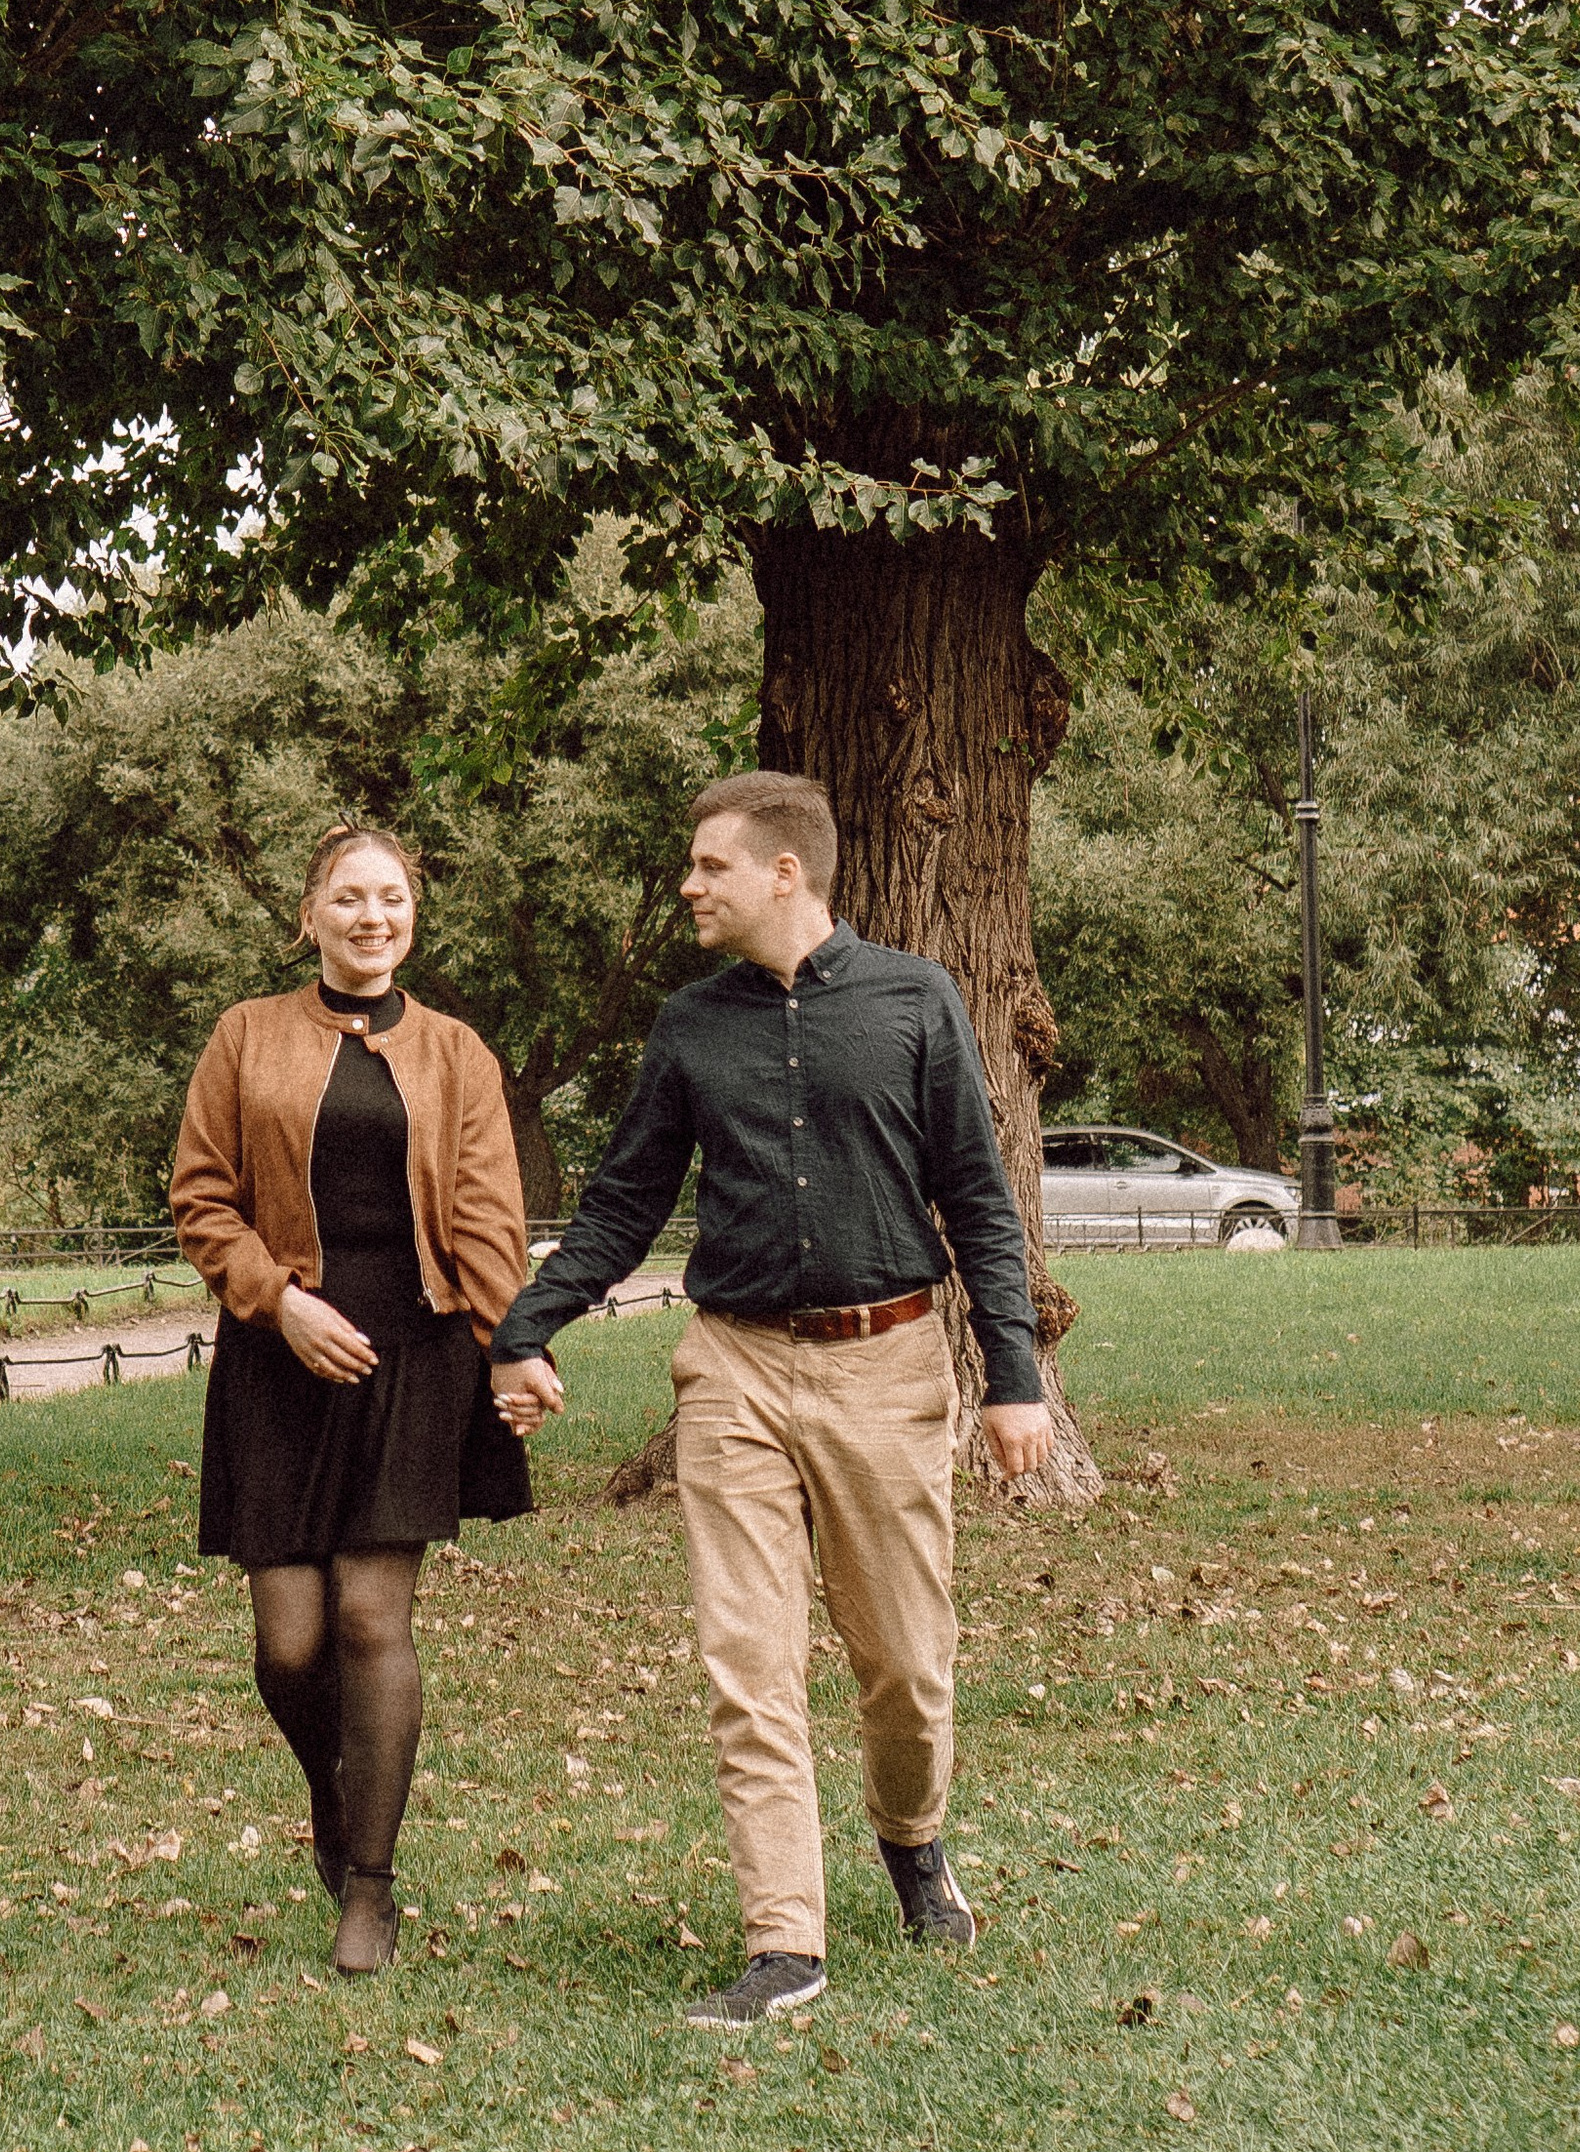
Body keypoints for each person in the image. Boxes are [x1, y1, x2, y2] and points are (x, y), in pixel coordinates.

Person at [489, 770, 1050, 2028]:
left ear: (783, 872)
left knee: (906, 1668)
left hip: (886, 1366)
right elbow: (626, 1201)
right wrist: (527, 1324)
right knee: (749, 1661)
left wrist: (1012, 1378)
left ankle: (912, 1840)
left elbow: (978, 1198)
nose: (689, 886)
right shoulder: (689, 1027)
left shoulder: (915, 998)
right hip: (732, 1370)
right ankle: (785, 1941)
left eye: (710, 866)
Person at [171, 823, 534, 1978]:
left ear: (410, 916)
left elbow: (487, 1218)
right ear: (310, 915)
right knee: (289, 1648)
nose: (373, 918)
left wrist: (513, 1346)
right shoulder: (245, 1036)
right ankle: (335, 1795)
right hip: (279, 1362)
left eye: (392, 900)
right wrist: (278, 1303)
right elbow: (201, 1198)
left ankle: (368, 1885)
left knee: (373, 1621)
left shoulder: (456, 1053)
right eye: (349, 898)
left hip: (413, 1358)